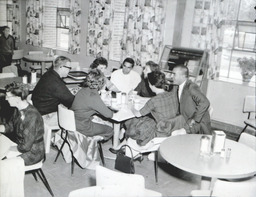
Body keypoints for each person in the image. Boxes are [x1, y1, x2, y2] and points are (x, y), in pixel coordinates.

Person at [124, 71, 188, 146]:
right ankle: (123, 141)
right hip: (173, 128)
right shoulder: (172, 94)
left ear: (152, 85)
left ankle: (125, 141)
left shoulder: (154, 100)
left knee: (132, 123)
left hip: (160, 131)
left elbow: (138, 114)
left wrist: (131, 106)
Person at [0, 82, 45, 166]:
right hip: (20, 144)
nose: (6, 99)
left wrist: (8, 149)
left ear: (17, 98)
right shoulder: (18, 109)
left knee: (3, 161)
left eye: (8, 96)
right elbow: (10, 126)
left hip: (33, 153)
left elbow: (26, 147)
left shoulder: (31, 116)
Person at [70, 69, 114, 140]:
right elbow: (109, 115)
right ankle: (91, 141)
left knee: (97, 119)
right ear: (101, 83)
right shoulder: (93, 96)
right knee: (110, 129)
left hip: (72, 121)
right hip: (82, 127)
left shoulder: (82, 90)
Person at [32, 56, 74, 127]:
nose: (69, 70)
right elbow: (72, 102)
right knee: (74, 116)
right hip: (44, 117)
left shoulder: (48, 74)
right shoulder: (56, 83)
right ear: (61, 67)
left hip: (37, 111)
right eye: (69, 68)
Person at [171, 65, 211, 134]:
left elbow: (205, 102)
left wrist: (194, 120)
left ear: (183, 76)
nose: (171, 76)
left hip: (199, 125)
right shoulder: (179, 86)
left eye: (174, 74)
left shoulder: (191, 87)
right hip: (187, 120)